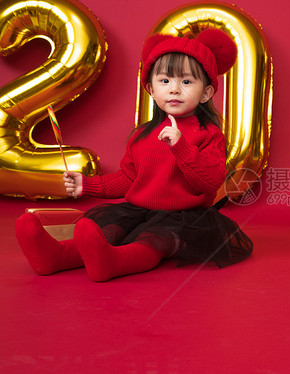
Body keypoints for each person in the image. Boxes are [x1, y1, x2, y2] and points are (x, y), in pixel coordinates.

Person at [15, 29, 253, 281]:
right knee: (110, 228)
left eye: (186, 82)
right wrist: (87, 185)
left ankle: (115, 261)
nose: (174, 89)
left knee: (152, 241)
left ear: (206, 93)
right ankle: (58, 254)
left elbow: (208, 182)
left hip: (182, 217)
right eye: (165, 81)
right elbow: (128, 178)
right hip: (138, 209)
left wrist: (181, 147)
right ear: (150, 89)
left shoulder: (208, 134)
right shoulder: (142, 134)